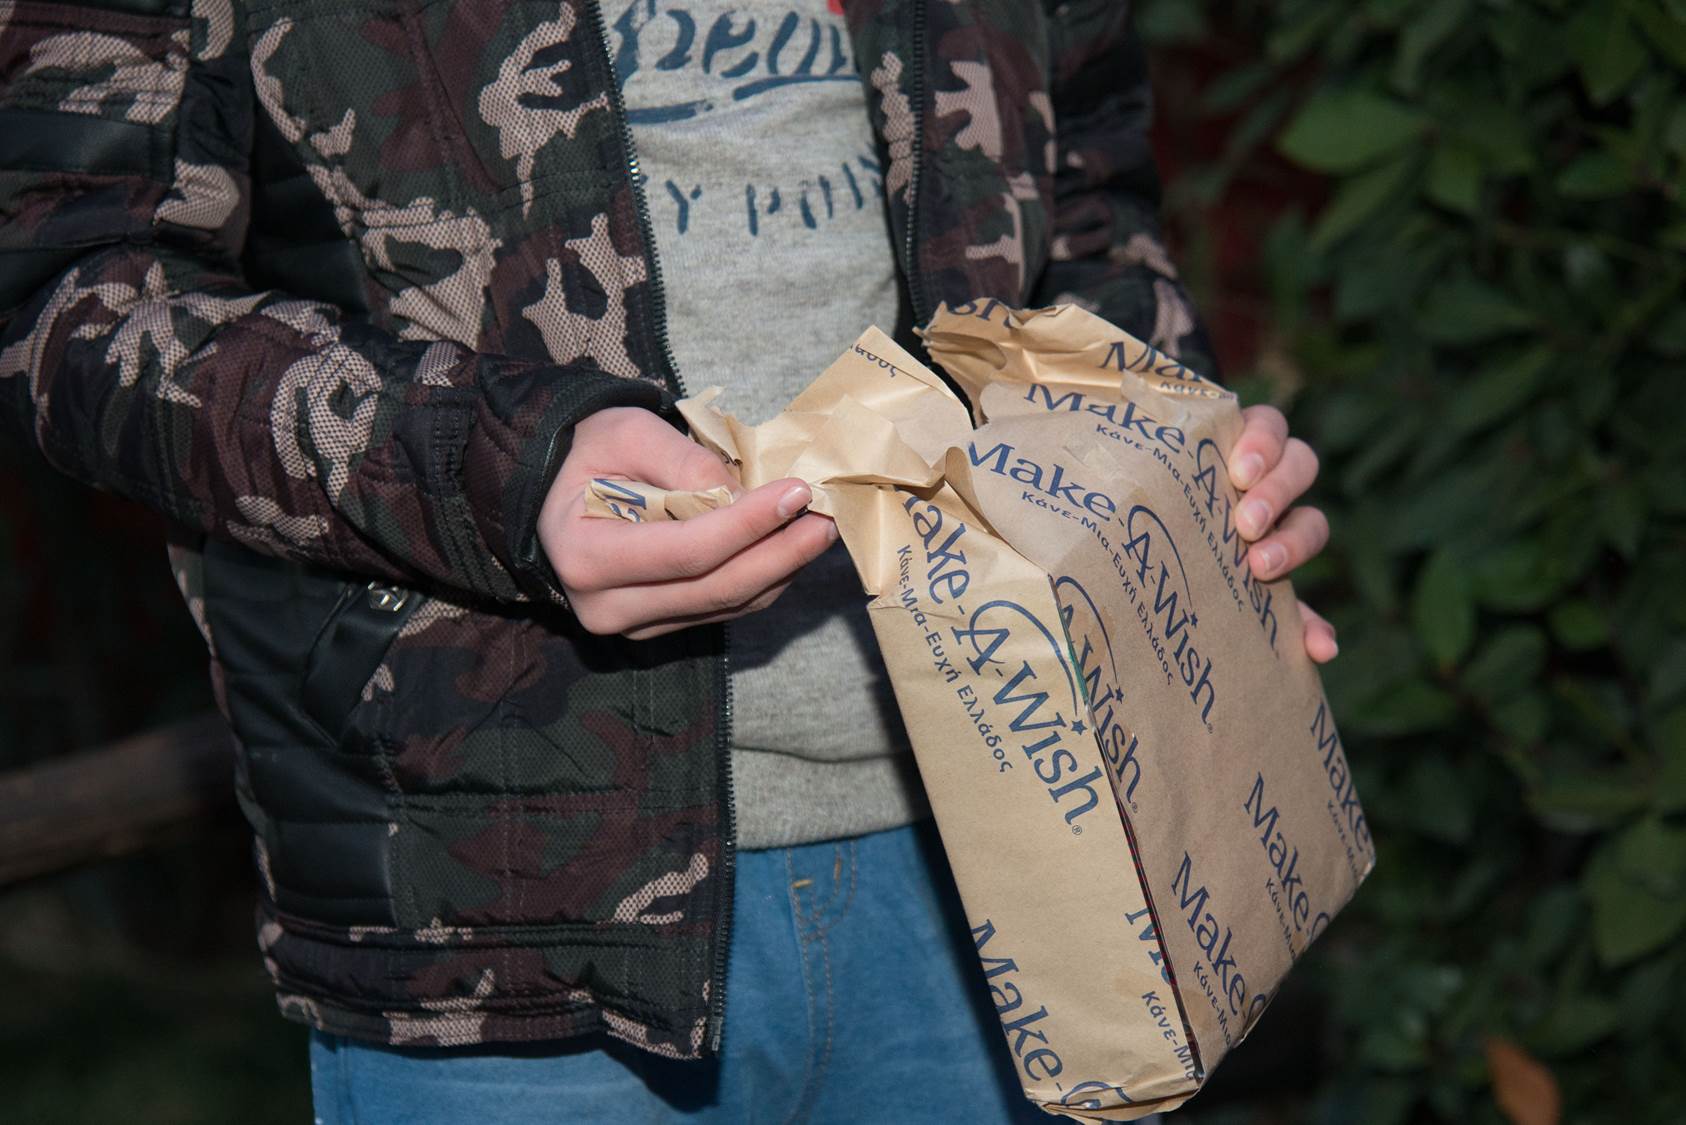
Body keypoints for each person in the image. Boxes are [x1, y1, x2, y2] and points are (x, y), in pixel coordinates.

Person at [0, 1, 1336, 1120]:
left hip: (1030, 859)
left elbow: (1089, 213)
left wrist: (1175, 478)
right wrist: (500, 469)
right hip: (508, 928)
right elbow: (61, 288)